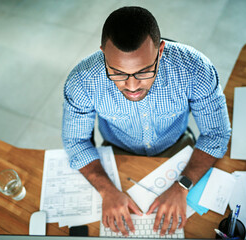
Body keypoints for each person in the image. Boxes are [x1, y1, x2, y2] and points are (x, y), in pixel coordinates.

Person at [62, 6, 231, 236]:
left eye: (144, 71)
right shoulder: (82, 81)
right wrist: (107, 191)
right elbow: (75, 142)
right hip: (118, 153)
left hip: (177, 148)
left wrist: (182, 186)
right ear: (103, 53)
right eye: (118, 73)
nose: (132, 86)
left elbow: (216, 134)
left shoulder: (195, 69)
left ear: (160, 50)